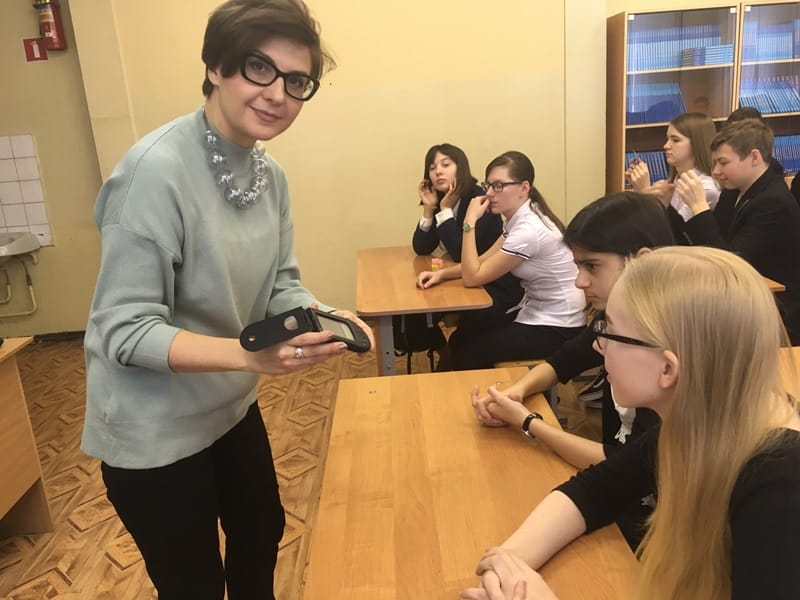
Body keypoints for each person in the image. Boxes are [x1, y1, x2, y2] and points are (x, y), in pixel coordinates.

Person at [81, 2, 373, 599]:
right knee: (194, 583)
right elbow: (125, 331)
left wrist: (318, 314)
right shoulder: (153, 172)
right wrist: (247, 356)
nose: (278, 94)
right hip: (152, 430)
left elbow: (279, 283)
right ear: (216, 66)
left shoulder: (270, 175)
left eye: (297, 81)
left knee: (260, 534)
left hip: (228, 406)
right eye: (259, 68)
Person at [461, 247, 800, 600]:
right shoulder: (703, 419)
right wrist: (508, 565)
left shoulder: (781, 485)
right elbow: (596, 490)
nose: (598, 346)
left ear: (667, 368)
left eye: (609, 333)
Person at [471, 191, 671, 548]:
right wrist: (517, 391)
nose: (580, 281)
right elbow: (566, 359)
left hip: (653, 525)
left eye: (591, 266)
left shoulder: (663, 351)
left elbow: (622, 463)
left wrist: (528, 423)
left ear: (642, 262)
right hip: (624, 498)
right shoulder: (617, 321)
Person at [416, 151, 585, 370]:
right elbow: (481, 261)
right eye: (488, 185)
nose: (489, 193)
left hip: (558, 325)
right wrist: (441, 274)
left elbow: (472, 277)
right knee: (462, 337)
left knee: (467, 351)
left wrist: (470, 221)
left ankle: (494, 389)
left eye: (498, 186)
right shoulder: (518, 218)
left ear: (524, 188)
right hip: (537, 311)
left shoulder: (528, 230)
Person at [675, 118, 800, 345]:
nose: (716, 171)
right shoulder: (733, 190)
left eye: (723, 162)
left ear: (754, 157)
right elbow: (711, 242)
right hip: (741, 296)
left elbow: (731, 261)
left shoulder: (774, 202)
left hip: (775, 310)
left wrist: (699, 208)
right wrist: (671, 207)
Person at [403, 144, 523, 367]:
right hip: (466, 277)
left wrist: (446, 210)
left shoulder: (481, 200)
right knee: (410, 314)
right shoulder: (440, 199)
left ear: (461, 168)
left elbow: (461, 253)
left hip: (491, 283)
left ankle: (457, 360)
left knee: (467, 337)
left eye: (445, 164)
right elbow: (421, 247)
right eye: (432, 167)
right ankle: (443, 350)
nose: (438, 172)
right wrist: (428, 209)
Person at [625, 112, 720, 243]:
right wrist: (640, 190)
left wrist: (645, 192)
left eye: (675, 140)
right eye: (668, 139)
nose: (666, 146)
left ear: (697, 143)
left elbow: (672, 235)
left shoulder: (705, 188)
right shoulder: (674, 181)